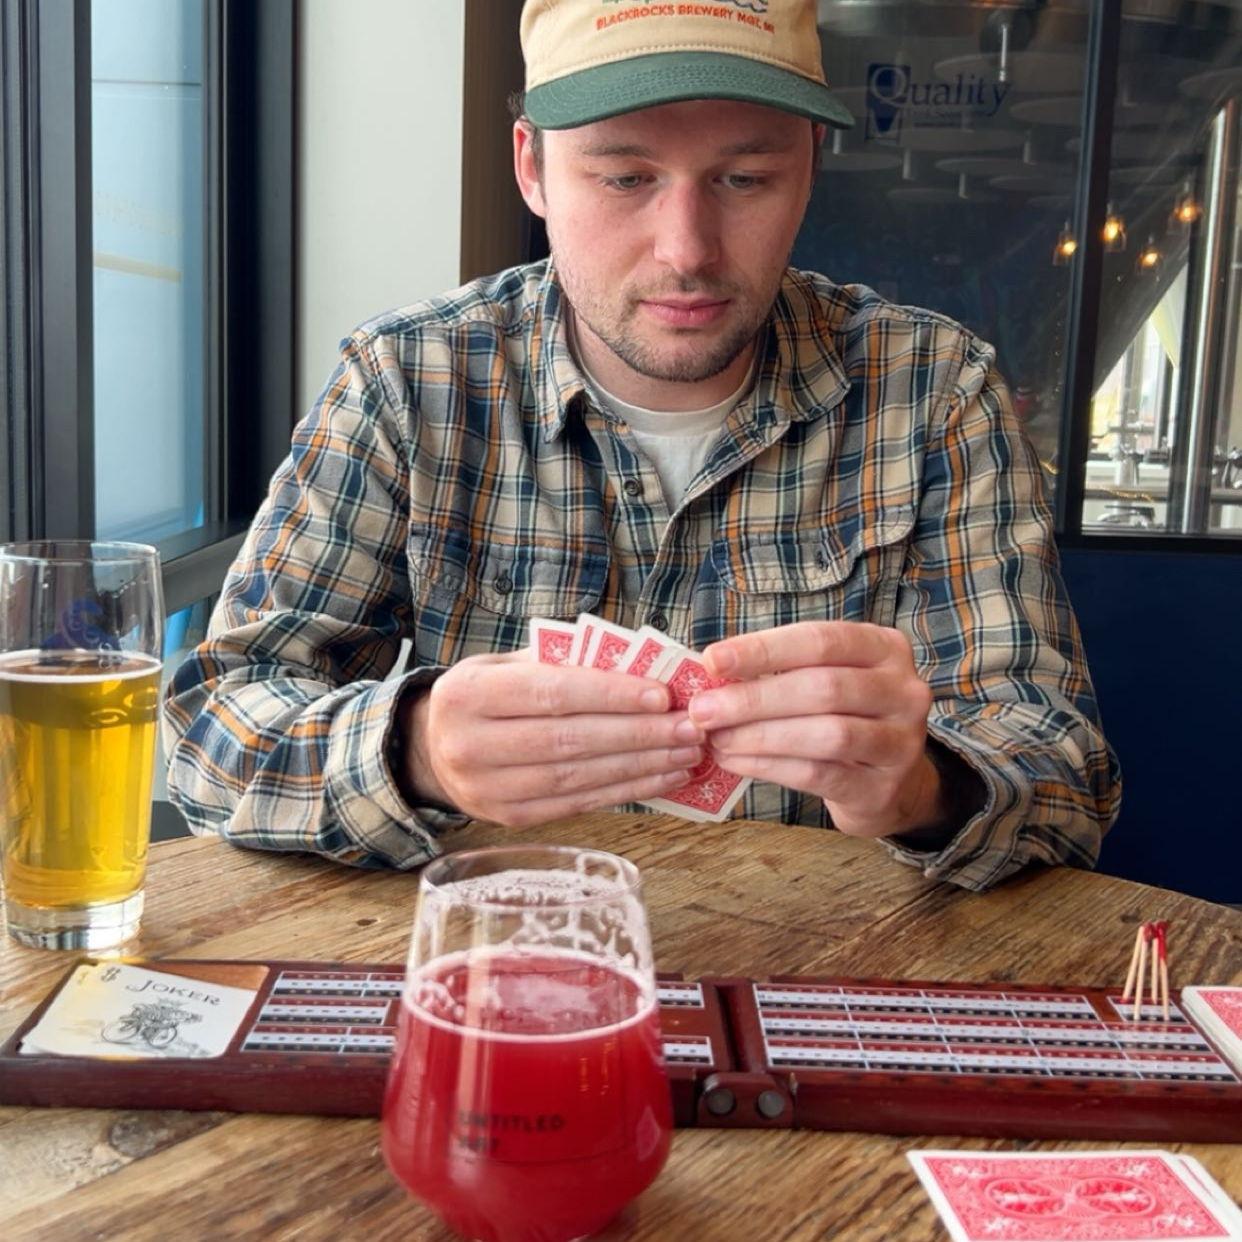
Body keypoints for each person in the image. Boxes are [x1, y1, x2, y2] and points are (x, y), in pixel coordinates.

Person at [164, 0, 1121, 892]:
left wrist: (924, 789)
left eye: (746, 179)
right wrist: (414, 747)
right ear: (531, 169)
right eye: (625, 177)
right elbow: (211, 728)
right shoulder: (410, 379)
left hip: (809, 974)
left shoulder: (934, 390)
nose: (687, 250)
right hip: (498, 953)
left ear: (811, 170)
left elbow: (1063, 776)